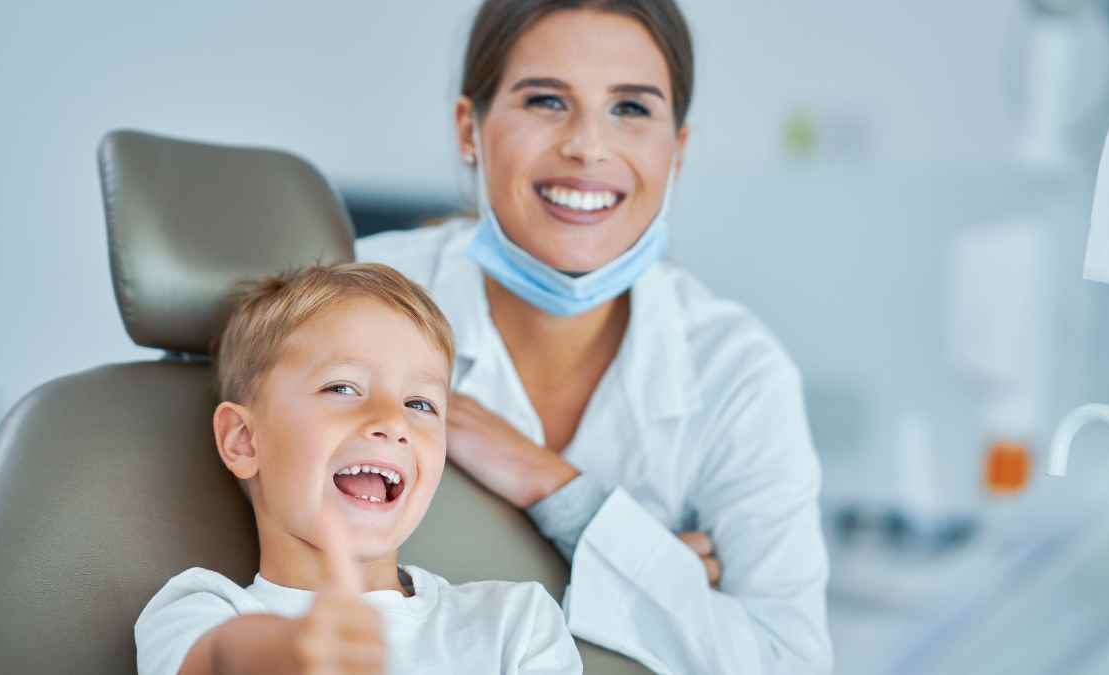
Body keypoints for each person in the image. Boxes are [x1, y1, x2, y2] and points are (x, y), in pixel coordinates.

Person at [354, 1, 833, 673]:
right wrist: (653, 572)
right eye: (547, 100)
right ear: (471, 128)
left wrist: (559, 492)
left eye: (631, 109)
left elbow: (788, 660)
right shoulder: (353, 302)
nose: (588, 146)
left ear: (678, 150)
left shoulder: (737, 370)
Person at [134, 262, 582, 675]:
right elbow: (216, 658)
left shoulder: (514, 622)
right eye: (343, 387)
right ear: (244, 439)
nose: (392, 421)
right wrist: (285, 651)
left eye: (419, 403)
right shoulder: (202, 611)